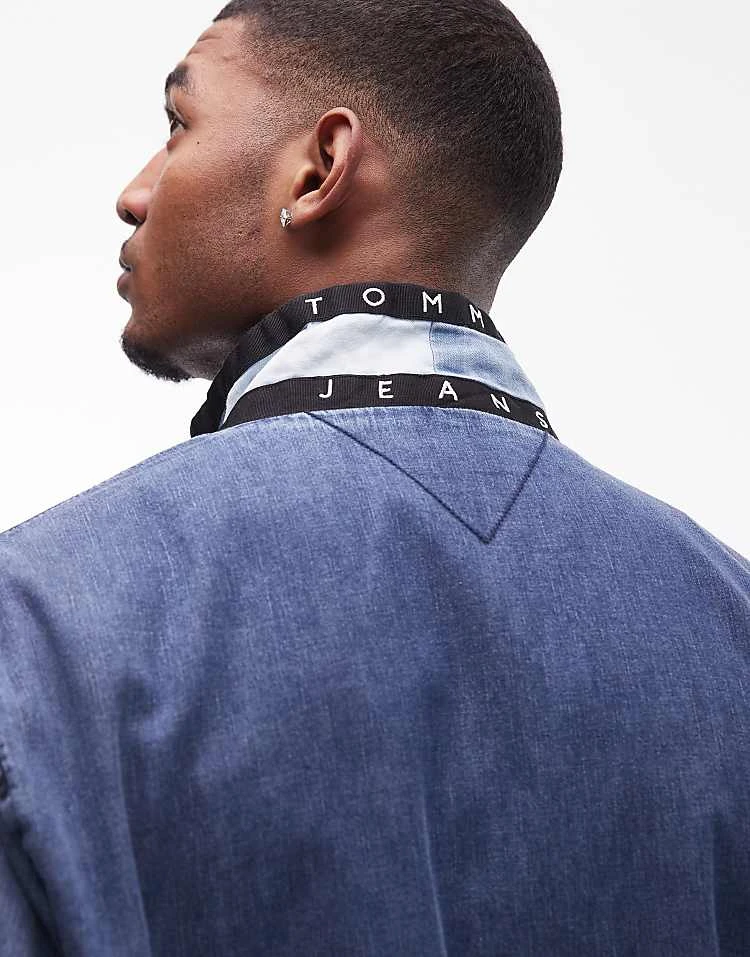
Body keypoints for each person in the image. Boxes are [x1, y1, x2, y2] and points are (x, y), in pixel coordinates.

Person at [1, 1, 748, 953]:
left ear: (320, 168)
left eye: (178, 123)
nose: (133, 193)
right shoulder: (730, 622)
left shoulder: (45, 617)